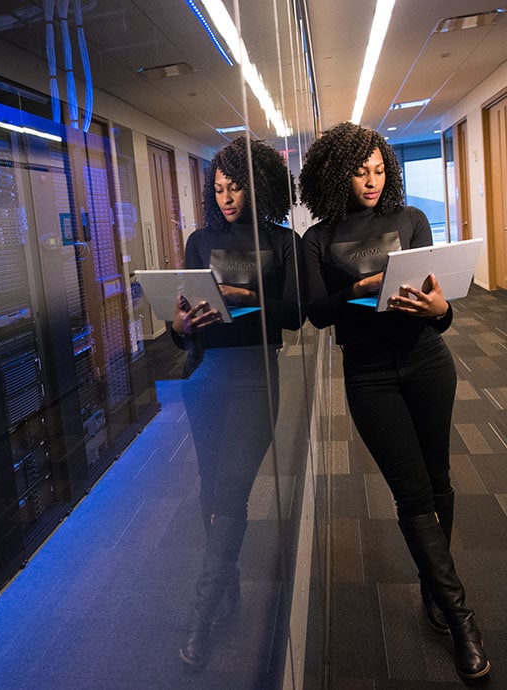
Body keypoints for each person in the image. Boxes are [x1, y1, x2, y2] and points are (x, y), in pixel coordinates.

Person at [298, 121, 490, 680]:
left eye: (380, 170)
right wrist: (356, 290)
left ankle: (435, 589)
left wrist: (442, 311)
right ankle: (461, 620)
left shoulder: (411, 220)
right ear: (338, 174)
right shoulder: (319, 238)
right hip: (369, 373)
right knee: (411, 494)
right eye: (360, 172)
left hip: (427, 360)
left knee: (439, 480)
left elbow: (439, 303)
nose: (372, 181)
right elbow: (315, 311)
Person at [171, 136, 304, 670]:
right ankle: (227, 590)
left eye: (237, 186)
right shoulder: (199, 240)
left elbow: (296, 314)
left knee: (229, 492)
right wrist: (179, 326)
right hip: (205, 375)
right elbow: (181, 326)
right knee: (211, 492)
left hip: (256, 377)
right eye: (220, 188)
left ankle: (203, 615)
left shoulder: (281, 240)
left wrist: (249, 299)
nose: (227, 197)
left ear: (258, 185)